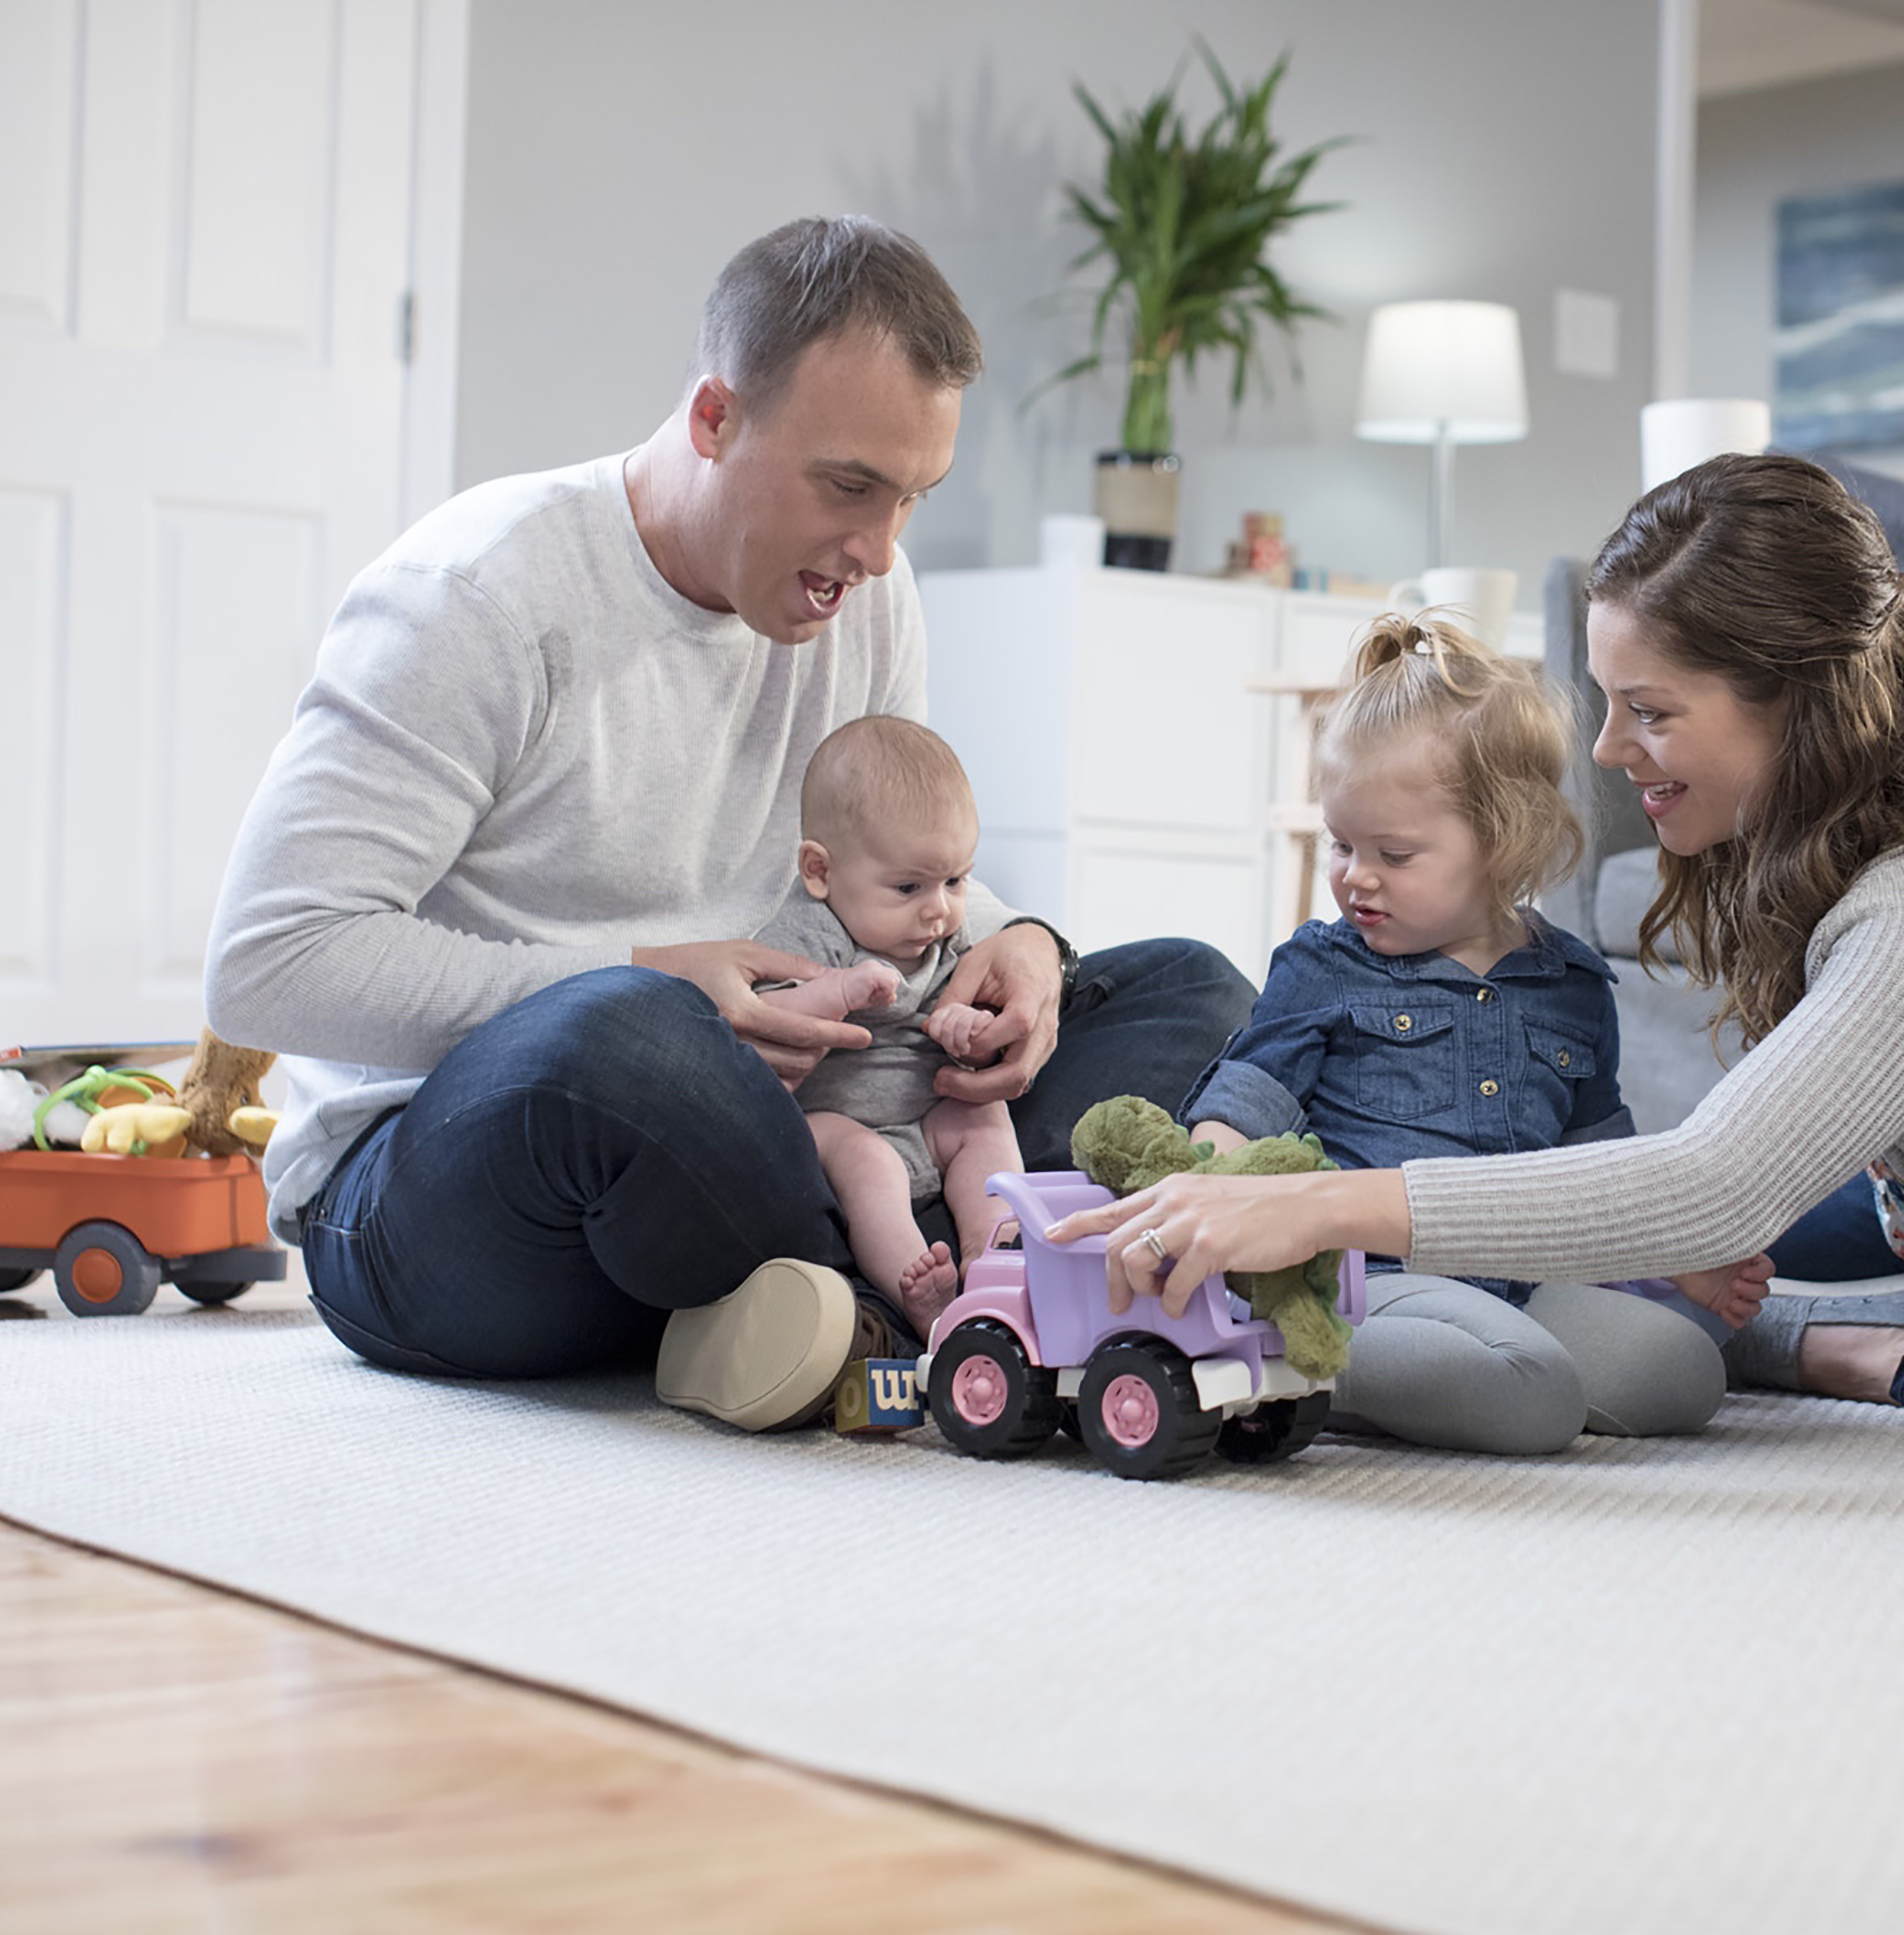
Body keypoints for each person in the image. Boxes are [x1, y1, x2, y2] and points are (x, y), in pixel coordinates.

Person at [1052, 454, 1904, 1438]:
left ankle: (1859, 1357)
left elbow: (1714, 1188)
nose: (1609, 753)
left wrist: (1317, 1209)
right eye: (1608, 703)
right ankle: (1791, 1319)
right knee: (1631, 1205)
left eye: (1650, 711)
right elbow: (1726, 1170)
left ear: (1799, 700)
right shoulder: (1858, 815)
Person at [204, 215, 1254, 1434]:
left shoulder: (867, 591)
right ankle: (894, 1280)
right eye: (850, 486)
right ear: (714, 419)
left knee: (1193, 992)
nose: (876, 549)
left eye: (913, 498)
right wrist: (663, 983)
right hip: (441, 1194)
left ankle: (874, 1297)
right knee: (631, 1047)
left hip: (804, 1133)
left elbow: (895, 861)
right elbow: (266, 965)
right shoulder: (477, 595)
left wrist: (1020, 945)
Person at [1178, 614, 1768, 1456]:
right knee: (1528, 1396)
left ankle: (1458, 1370)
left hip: (1518, 1283)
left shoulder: (1572, 986)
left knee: (1684, 1372)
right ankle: (1286, 1365)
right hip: (1368, 1283)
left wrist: (1684, 1260)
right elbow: (1244, 1107)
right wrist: (1212, 1176)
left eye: (1396, 852)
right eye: (1341, 844)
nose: (1356, 876)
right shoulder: (1325, 967)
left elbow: (1601, 1163)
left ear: (1502, 842)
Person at [752, 714, 1022, 1340]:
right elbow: (766, 1018)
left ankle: (994, 1243)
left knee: (983, 1117)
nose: (940, 908)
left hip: (925, 1123)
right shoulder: (812, 931)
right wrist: (834, 992)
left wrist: (968, 1027)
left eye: (956, 880)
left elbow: (980, 1008)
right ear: (820, 871)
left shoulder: (947, 935)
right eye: (909, 886)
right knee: (867, 1160)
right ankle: (915, 1287)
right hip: (835, 1129)